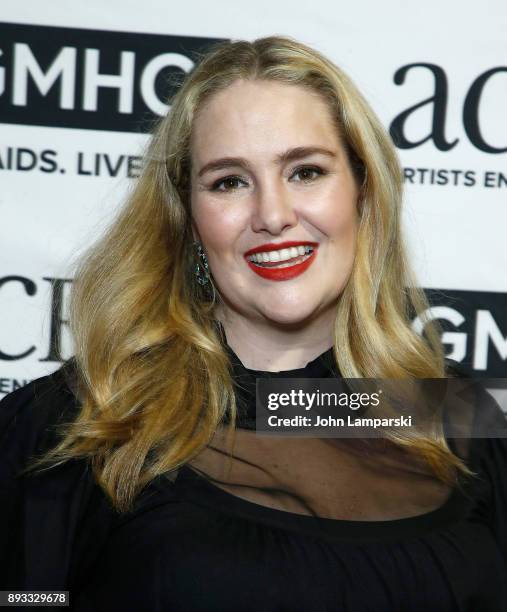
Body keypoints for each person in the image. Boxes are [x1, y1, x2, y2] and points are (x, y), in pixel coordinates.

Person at [1, 35, 506, 611]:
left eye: (306, 171)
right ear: (189, 221)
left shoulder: (454, 411)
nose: (273, 215)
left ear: (363, 195)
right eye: (229, 182)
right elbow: (24, 597)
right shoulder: (84, 420)